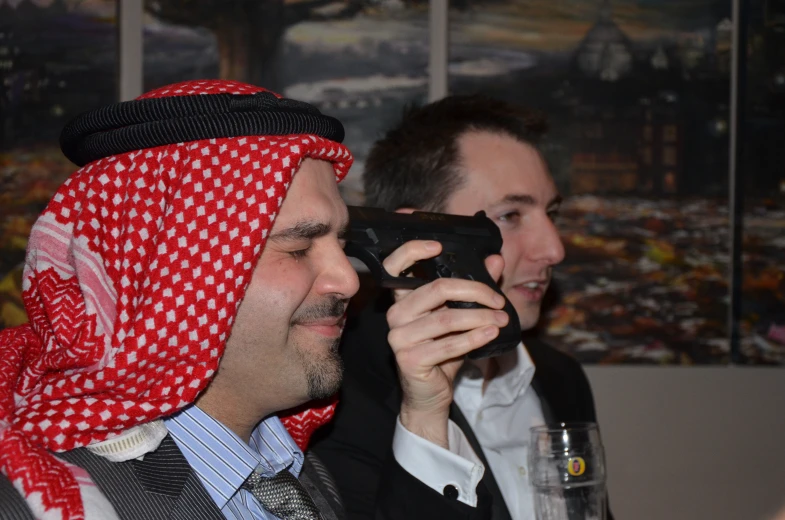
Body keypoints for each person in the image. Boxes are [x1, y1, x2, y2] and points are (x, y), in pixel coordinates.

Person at [0, 81, 506, 520]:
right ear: (177, 273)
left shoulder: (293, 473)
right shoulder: (45, 503)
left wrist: (425, 415)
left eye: (341, 245)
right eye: (299, 246)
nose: (348, 282)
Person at [311, 95, 613, 520]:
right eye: (509, 215)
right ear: (412, 240)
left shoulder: (561, 378)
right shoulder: (331, 401)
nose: (554, 249)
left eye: (551, 213)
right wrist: (424, 422)